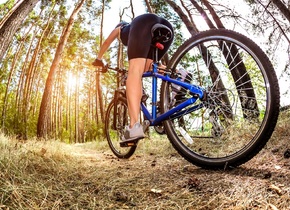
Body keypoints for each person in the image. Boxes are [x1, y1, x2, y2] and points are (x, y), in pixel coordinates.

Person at [93, 13, 174, 143]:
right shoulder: (136, 32)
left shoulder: (121, 29)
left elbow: (107, 41)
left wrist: (99, 59)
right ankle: (179, 80)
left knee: (134, 71)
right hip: (166, 26)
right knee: (150, 67)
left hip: (144, 22)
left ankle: (134, 127)